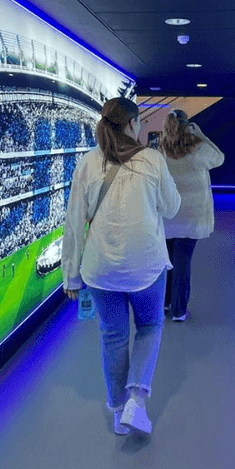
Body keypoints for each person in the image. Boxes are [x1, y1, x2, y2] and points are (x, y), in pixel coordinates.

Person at [61, 96, 180, 437]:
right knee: (149, 327)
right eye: (140, 121)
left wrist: (71, 273)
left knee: (113, 336)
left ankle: (117, 411)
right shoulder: (152, 161)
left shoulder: (87, 164)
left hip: (100, 271)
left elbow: (74, 222)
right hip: (146, 267)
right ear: (131, 124)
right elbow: (171, 208)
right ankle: (136, 399)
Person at [159, 110, 225, 321]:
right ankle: (179, 310)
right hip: (192, 218)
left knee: (167, 262)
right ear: (188, 126)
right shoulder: (200, 149)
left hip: (168, 216)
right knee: (183, 262)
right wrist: (202, 135)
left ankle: (165, 304)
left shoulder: (161, 151)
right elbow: (220, 157)